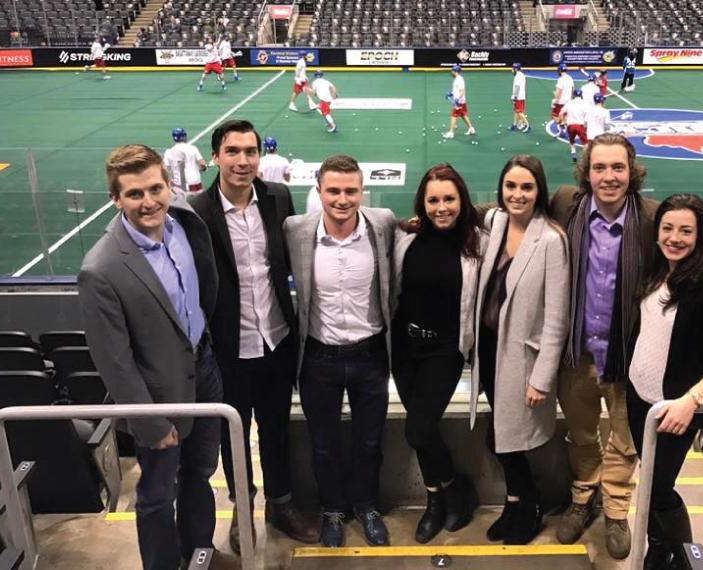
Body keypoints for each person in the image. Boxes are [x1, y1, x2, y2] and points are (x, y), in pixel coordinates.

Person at [549, 133, 703, 558]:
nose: (609, 176)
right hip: (576, 352)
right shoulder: (566, 202)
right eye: (599, 167)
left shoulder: (656, 217)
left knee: (625, 441)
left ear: (632, 171)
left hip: (627, 357)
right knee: (581, 435)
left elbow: (694, 255)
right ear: (586, 172)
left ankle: (616, 507)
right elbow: (512, 213)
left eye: (618, 167)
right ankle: (584, 496)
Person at [78, 144, 234, 569]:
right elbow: (114, 360)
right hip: (159, 397)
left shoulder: (184, 219)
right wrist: (149, 420)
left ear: (169, 185)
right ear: (115, 198)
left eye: (155, 189)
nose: (148, 202)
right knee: (156, 495)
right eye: (134, 194)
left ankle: (200, 552)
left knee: (201, 474)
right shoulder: (102, 268)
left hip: (204, 371)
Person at [187, 120, 320, 555]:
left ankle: (281, 505)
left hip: (277, 339)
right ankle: (242, 508)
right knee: (234, 435)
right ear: (215, 157)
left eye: (250, 151)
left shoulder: (278, 197)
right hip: (230, 347)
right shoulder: (195, 210)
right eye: (233, 151)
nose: (243, 160)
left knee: (277, 430)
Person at [283, 155, 397, 548]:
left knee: (370, 442)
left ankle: (366, 506)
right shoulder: (296, 230)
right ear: (319, 192)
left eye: (351, 191)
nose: (343, 199)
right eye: (334, 190)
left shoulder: (382, 223)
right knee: (323, 444)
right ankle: (332, 508)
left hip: (370, 358)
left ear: (362, 192)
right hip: (318, 359)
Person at [626, 193, 703, 567]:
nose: (675, 237)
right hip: (638, 398)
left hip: (673, 410)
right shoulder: (656, 269)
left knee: (657, 490)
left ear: (700, 235)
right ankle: (659, 544)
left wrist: (690, 401)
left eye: (686, 231)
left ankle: (681, 553)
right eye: (668, 228)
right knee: (652, 481)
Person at [472, 155, 570, 545]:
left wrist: (542, 378)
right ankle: (517, 502)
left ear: (539, 191)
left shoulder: (551, 240)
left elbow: (557, 318)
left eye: (526, 187)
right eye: (510, 186)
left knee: (507, 439)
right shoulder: (494, 222)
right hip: (491, 351)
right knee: (501, 434)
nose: (517, 194)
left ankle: (527, 503)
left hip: (523, 360)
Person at [392, 164, 485, 543]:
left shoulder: (480, 241)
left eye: (449, 198)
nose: (441, 207)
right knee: (420, 430)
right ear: (422, 203)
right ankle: (441, 494)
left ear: (462, 200)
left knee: (418, 427)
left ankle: (449, 492)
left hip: (445, 351)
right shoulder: (405, 237)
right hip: (404, 347)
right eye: (433, 200)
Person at [163, 127, 207, 195]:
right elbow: (202, 164)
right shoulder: (193, 148)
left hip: (178, 187)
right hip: (194, 184)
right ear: (184, 136)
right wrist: (203, 168)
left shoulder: (168, 152)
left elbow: (166, 170)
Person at [443, 64, 476, 139]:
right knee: (463, 114)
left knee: (453, 115)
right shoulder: (457, 79)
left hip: (459, 102)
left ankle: (451, 132)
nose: (451, 72)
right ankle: (471, 129)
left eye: (452, 71)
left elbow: (462, 91)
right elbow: (456, 90)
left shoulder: (459, 80)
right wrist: (451, 94)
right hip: (460, 101)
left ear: (455, 71)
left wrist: (457, 100)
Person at [559, 89, 588, 163]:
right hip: (580, 125)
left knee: (572, 141)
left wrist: (562, 122)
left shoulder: (569, 103)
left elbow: (561, 113)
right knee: (585, 143)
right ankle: (584, 159)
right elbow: (588, 114)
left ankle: (573, 152)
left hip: (570, 126)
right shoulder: (584, 103)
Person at [552, 63, 574, 135]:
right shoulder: (570, 78)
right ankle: (564, 127)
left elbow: (559, 92)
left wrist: (555, 101)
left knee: (554, 116)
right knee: (564, 115)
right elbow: (572, 90)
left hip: (560, 101)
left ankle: (562, 127)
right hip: (568, 101)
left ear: (559, 71)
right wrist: (571, 99)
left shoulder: (560, 79)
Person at [509, 63, 530, 133]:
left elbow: (517, 87)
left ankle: (527, 125)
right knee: (516, 111)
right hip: (522, 96)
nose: (512, 70)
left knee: (519, 112)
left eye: (512, 69)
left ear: (515, 69)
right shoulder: (522, 75)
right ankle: (514, 124)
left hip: (518, 97)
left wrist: (514, 96)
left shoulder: (518, 76)